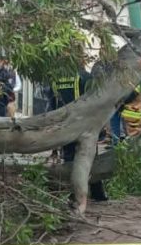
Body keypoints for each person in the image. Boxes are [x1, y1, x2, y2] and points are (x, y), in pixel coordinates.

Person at [46, 70, 108, 202]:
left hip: (65, 124)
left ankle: (73, 193)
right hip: (85, 124)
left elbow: (52, 102)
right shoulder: (85, 76)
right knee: (90, 158)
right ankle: (97, 193)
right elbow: (95, 101)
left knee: (69, 158)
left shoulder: (55, 77)